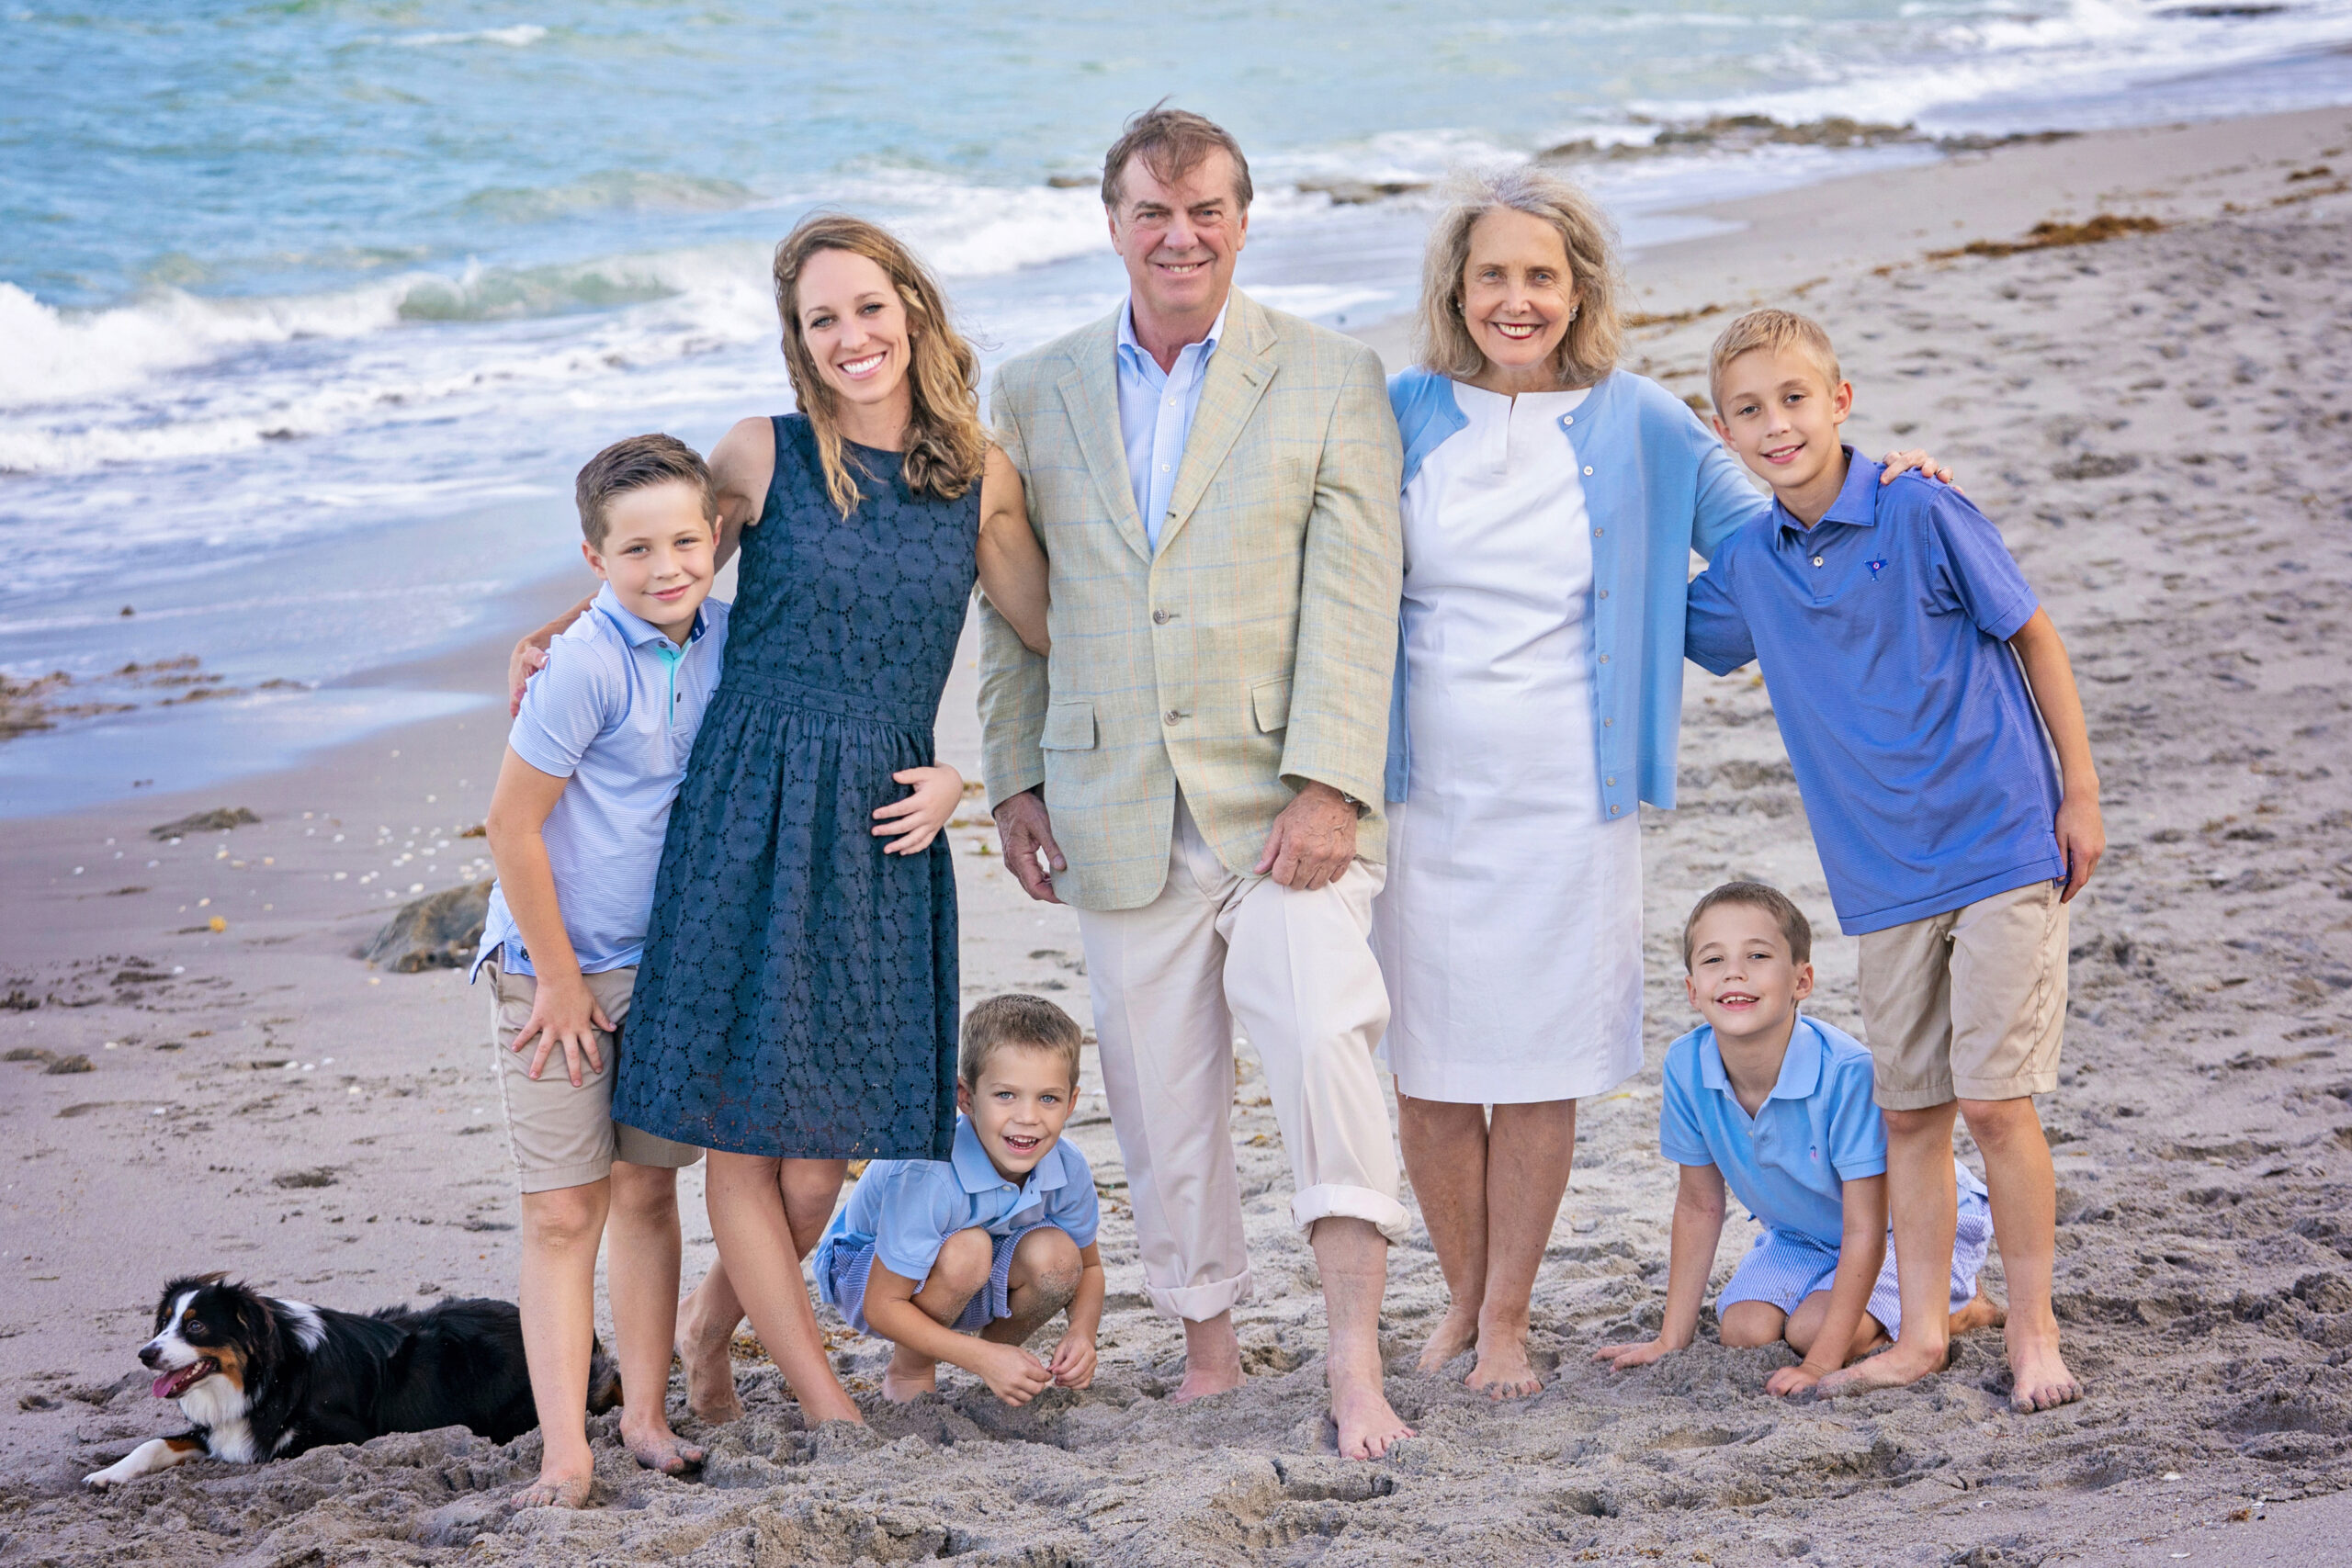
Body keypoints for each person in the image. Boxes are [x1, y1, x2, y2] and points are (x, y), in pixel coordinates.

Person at [1376, 166, 1955, 1399]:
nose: (1517, 298)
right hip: (1421, 791)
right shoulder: (1404, 407)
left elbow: (1772, 534)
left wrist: (1878, 481)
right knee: (1428, 1065)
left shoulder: (1641, 417)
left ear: (1578, 285)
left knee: (1534, 1059)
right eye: (1494, 274)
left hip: (1568, 794)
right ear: (1457, 288)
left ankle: (1512, 1319)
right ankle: (1460, 1297)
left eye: (1542, 274)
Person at [508, 215, 1051, 1431]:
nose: (852, 336)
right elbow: (661, 560)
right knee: (747, 1146)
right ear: (797, 340)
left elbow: (1051, 637)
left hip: (876, 825)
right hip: (744, 810)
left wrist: (968, 774)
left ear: (912, 304)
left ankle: (712, 1325)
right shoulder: (765, 452)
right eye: (822, 319)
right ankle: (825, 1401)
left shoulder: (982, 478)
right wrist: (559, 627)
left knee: (821, 1158)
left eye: (869, 306)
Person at [978, 107, 1412, 1460]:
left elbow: (1359, 593)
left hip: (1287, 806)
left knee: (1324, 1040)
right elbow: (1010, 603)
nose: (1181, 235)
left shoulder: (1331, 373)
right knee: (1162, 1098)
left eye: (1207, 210)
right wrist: (1013, 778)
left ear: (1243, 218)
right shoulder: (1035, 387)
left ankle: (1353, 1358)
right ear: (1113, 222)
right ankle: (1210, 1349)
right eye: (1154, 213)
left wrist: (1331, 781)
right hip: (1114, 801)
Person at [1686, 308, 2102, 1412]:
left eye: (1792, 400)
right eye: (1748, 410)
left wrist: (2081, 793)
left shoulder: (1920, 505)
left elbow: (2034, 635)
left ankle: (2032, 1331)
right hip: (1879, 879)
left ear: (1839, 402)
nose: (1776, 425)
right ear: (1720, 431)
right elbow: (1658, 625)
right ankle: (1921, 1332)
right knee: (1911, 1114)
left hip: (2000, 840)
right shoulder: (1745, 566)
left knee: (1996, 1102)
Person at [474, 434, 741, 1508]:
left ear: (717, 539)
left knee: (645, 1191)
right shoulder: (583, 660)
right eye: (636, 549)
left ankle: (642, 1410)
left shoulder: (730, 635)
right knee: (561, 1209)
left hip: (665, 966)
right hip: (552, 970)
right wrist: (558, 979)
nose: (666, 566)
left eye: (685, 540)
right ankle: (563, 1450)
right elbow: (509, 824)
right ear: (595, 557)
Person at [1593, 884, 1999, 1393]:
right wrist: (1669, 1339)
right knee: (1744, 1330)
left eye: (1758, 955)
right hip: (1802, 1233)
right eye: (1713, 959)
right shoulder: (1684, 1064)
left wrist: (1819, 1365)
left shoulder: (1846, 1074)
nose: (1734, 972)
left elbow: (1865, 1228)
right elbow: (1699, 1206)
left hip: (1905, 1230)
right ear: (1693, 990)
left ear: (1801, 981)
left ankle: (1961, 1304)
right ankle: (1855, 1311)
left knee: (1813, 1332)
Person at [813, 994, 1104, 1406]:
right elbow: (882, 1305)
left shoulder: (1067, 1166)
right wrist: (977, 1358)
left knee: (1059, 1258)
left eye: (1048, 1098)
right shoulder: (929, 1171)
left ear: (1072, 1103)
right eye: (1005, 1095)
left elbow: (1089, 1266)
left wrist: (1081, 1334)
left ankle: (998, 1353)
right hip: (867, 1273)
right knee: (969, 1249)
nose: (1028, 1117)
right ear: (966, 1098)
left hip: (967, 1266)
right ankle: (913, 1368)